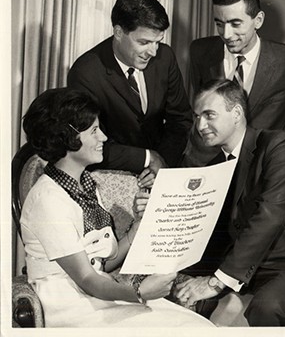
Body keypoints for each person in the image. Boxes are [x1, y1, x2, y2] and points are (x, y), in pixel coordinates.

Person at [20, 87, 212, 328]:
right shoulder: (47, 200)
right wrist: (140, 291)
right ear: (67, 138)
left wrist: (138, 228)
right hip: (69, 305)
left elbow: (101, 264)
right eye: (94, 131)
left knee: (195, 325)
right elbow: (87, 278)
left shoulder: (86, 186)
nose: (103, 138)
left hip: (96, 295)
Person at [174, 79, 285, 326]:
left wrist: (216, 281)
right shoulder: (212, 168)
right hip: (241, 269)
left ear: (237, 113)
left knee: (266, 307)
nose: (200, 125)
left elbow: (269, 216)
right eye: (197, 116)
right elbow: (210, 234)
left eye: (209, 115)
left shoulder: (279, 146)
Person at [67, 0, 193, 184]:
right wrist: (148, 158)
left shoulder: (165, 58)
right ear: (119, 32)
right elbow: (87, 142)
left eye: (158, 42)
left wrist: (162, 163)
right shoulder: (86, 73)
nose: (153, 52)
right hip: (111, 175)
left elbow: (180, 120)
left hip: (163, 169)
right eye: (144, 42)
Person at [183, 0, 285, 166]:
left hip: (260, 167)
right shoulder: (200, 51)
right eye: (219, 24)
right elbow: (196, 107)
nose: (227, 34)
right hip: (204, 164)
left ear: (258, 20)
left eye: (235, 23)